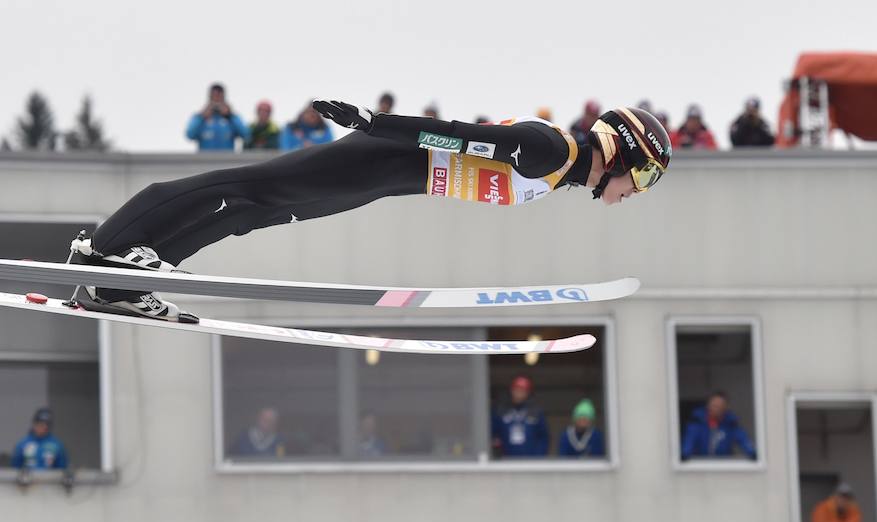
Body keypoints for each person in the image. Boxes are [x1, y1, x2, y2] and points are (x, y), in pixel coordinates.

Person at [70, 101, 671, 320]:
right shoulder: (550, 150)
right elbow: (455, 134)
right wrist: (376, 124)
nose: (635, 192)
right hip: (378, 157)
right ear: (622, 151)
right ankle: (107, 250)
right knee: (248, 184)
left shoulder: (560, 171)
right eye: (643, 176)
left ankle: (132, 275)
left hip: (382, 181)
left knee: (256, 210)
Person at [680, 391, 756, 460]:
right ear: (708, 405)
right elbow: (689, 441)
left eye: (720, 406)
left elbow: (743, 440)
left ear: (726, 407)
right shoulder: (697, 422)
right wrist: (684, 454)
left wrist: (752, 452)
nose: (716, 409)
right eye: (714, 405)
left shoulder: (731, 424)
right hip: (701, 464)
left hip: (723, 464)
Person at [491, 376, 549, 458]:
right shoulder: (501, 411)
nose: (519, 393)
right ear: (511, 391)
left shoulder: (536, 411)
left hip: (530, 461)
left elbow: (543, 438)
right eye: (516, 390)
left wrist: (538, 457)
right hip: (506, 460)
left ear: (528, 393)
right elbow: (493, 434)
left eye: (522, 391)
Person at [185, 83, 249, 151]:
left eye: (219, 96)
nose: (216, 100)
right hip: (205, 160)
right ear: (210, 97)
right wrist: (201, 117)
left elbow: (246, 134)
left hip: (227, 160)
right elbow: (189, 135)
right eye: (214, 96)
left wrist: (230, 116)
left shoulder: (232, 118)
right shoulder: (200, 117)